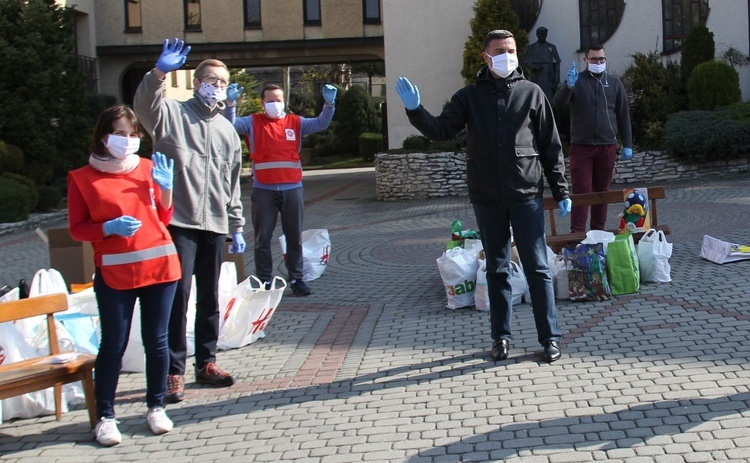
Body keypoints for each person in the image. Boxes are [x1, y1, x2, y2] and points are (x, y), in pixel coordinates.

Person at [395, 29, 572, 363]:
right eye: (499, 50)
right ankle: (500, 338)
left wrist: (561, 189)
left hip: (526, 195)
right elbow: (441, 130)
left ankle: (549, 338)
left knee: (537, 267)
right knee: (497, 269)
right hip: (487, 197)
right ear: (486, 57)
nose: (506, 55)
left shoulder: (532, 94)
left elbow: (551, 146)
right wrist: (415, 110)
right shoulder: (469, 97)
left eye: (511, 49)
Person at [134, 39, 246, 404]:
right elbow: (143, 106)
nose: (217, 87)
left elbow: (232, 183)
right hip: (178, 223)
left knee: (210, 299)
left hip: (214, 223)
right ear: (197, 81)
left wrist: (237, 225)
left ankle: (207, 362)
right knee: (177, 298)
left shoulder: (228, 132)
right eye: (212, 80)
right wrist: (159, 73)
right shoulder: (171, 115)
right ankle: (174, 371)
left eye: (223, 82)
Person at [68, 105, 181, 446]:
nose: (128, 140)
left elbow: (163, 216)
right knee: (113, 345)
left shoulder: (148, 168)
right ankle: (105, 416)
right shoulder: (82, 178)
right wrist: (107, 227)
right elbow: (76, 230)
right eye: (120, 133)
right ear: (103, 136)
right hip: (115, 273)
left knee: (157, 341)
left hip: (160, 267)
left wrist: (166, 189)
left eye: (133, 135)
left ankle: (156, 406)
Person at [223, 83, 337, 296]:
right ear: (262, 103)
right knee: (262, 238)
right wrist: (230, 104)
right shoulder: (253, 122)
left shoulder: (295, 122)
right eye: (270, 100)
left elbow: (321, 123)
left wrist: (329, 104)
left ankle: (296, 278)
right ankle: (264, 281)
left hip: (292, 188)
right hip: (263, 189)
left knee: (294, 237)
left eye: (278, 99)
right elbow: (229, 126)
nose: (275, 104)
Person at [553, 44, 633, 233]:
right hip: (582, 146)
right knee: (582, 192)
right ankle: (578, 234)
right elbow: (558, 103)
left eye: (602, 59)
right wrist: (568, 86)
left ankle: (598, 232)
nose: (598, 62)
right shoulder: (578, 80)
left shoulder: (614, 83)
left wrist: (627, 144)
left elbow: (623, 115)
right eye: (594, 59)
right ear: (586, 60)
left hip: (607, 146)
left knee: (602, 192)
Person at [524, 26, 561, 102]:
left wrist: (556, 80)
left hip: (548, 77)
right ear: (537, 35)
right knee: (535, 98)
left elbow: (557, 64)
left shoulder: (551, 47)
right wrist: (533, 67)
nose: (542, 36)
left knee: (548, 99)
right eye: (540, 34)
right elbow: (527, 63)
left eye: (544, 34)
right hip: (536, 77)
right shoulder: (531, 48)